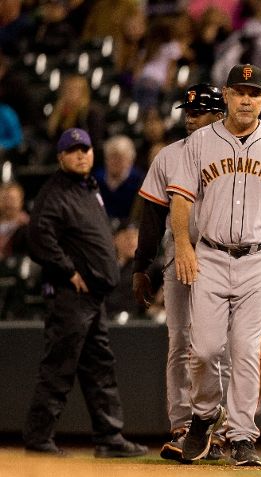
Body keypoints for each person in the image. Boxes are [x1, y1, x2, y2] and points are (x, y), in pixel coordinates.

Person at [168, 64, 261, 466]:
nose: (246, 98)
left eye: (254, 92)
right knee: (204, 349)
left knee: (247, 348)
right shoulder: (200, 143)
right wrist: (183, 246)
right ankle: (205, 414)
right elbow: (181, 199)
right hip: (210, 253)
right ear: (226, 95)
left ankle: (243, 436)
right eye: (239, 91)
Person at [22, 128, 147, 458]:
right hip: (70, 297)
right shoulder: (55, 192)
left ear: (93, 154)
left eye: (85, 149)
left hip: (92, 299)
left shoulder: (88, 188)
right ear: (61, 157)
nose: (80, 155)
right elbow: (37, 237)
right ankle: (38, 438)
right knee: (59, 366)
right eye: (73, 150)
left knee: (100, 367)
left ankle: (109, 438)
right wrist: (68, 270)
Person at [132, 83, 230, 462]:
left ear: (219, 114)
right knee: (179, 341)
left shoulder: (236, 153)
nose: (191, 118)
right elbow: (152, 216)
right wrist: (142, 265)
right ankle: (182, 423)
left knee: (218, 345)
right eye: (188, 112)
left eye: (200, 111)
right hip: (179, 255)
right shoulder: (170, 156)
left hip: (223, 257)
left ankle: (219, 427)